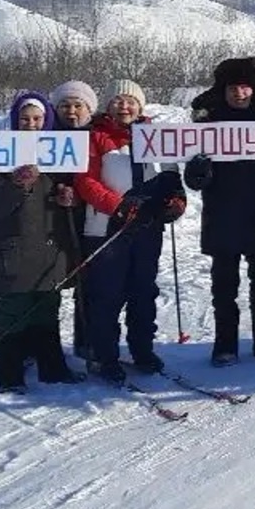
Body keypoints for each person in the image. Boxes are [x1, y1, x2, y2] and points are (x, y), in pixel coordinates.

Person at [183, 58, 255, 366]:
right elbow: (193, 180)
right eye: (232, 87)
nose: (239, 93)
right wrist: (198, 171)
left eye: (245, 86)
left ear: (254, 88)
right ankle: (225, 345)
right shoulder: (206, 124)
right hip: (221, 215)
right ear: (223, 89)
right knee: (224, 284)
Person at [75, 80, 188, 384]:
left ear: (140, 106)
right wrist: (117, 206)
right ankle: (104, 355)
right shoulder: (95, 136)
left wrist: (176, 203)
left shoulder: (155, 136)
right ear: (108, 106)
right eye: (117, 101)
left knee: (143, 292)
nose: (124, 107)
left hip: (147, 227)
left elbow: (171, 176)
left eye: (131, 101)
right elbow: (85, 182)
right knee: (108, 294)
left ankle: (142, 350)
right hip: (106, 227)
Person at [0, 92, 85, 393]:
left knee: (48, 309)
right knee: (13, 312)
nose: (31, 124)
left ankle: (53, 368)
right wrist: (16, 185)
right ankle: (9, 376)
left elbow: (71, 192)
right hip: (13, 248)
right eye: (25, 119)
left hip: (50, 247)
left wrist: (68, 199)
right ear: (15, 120)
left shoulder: (59, 152)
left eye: (37, 119)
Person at [49, 80, 98, 362]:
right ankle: (43, 346)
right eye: (65, 106)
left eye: (78, 105)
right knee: (49, 283)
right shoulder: (44, 134)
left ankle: (86, 340)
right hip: (50, 218)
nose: (71, 111)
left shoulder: (96, 135)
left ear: (88, 109)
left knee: (87, 282)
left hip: (90, 217)